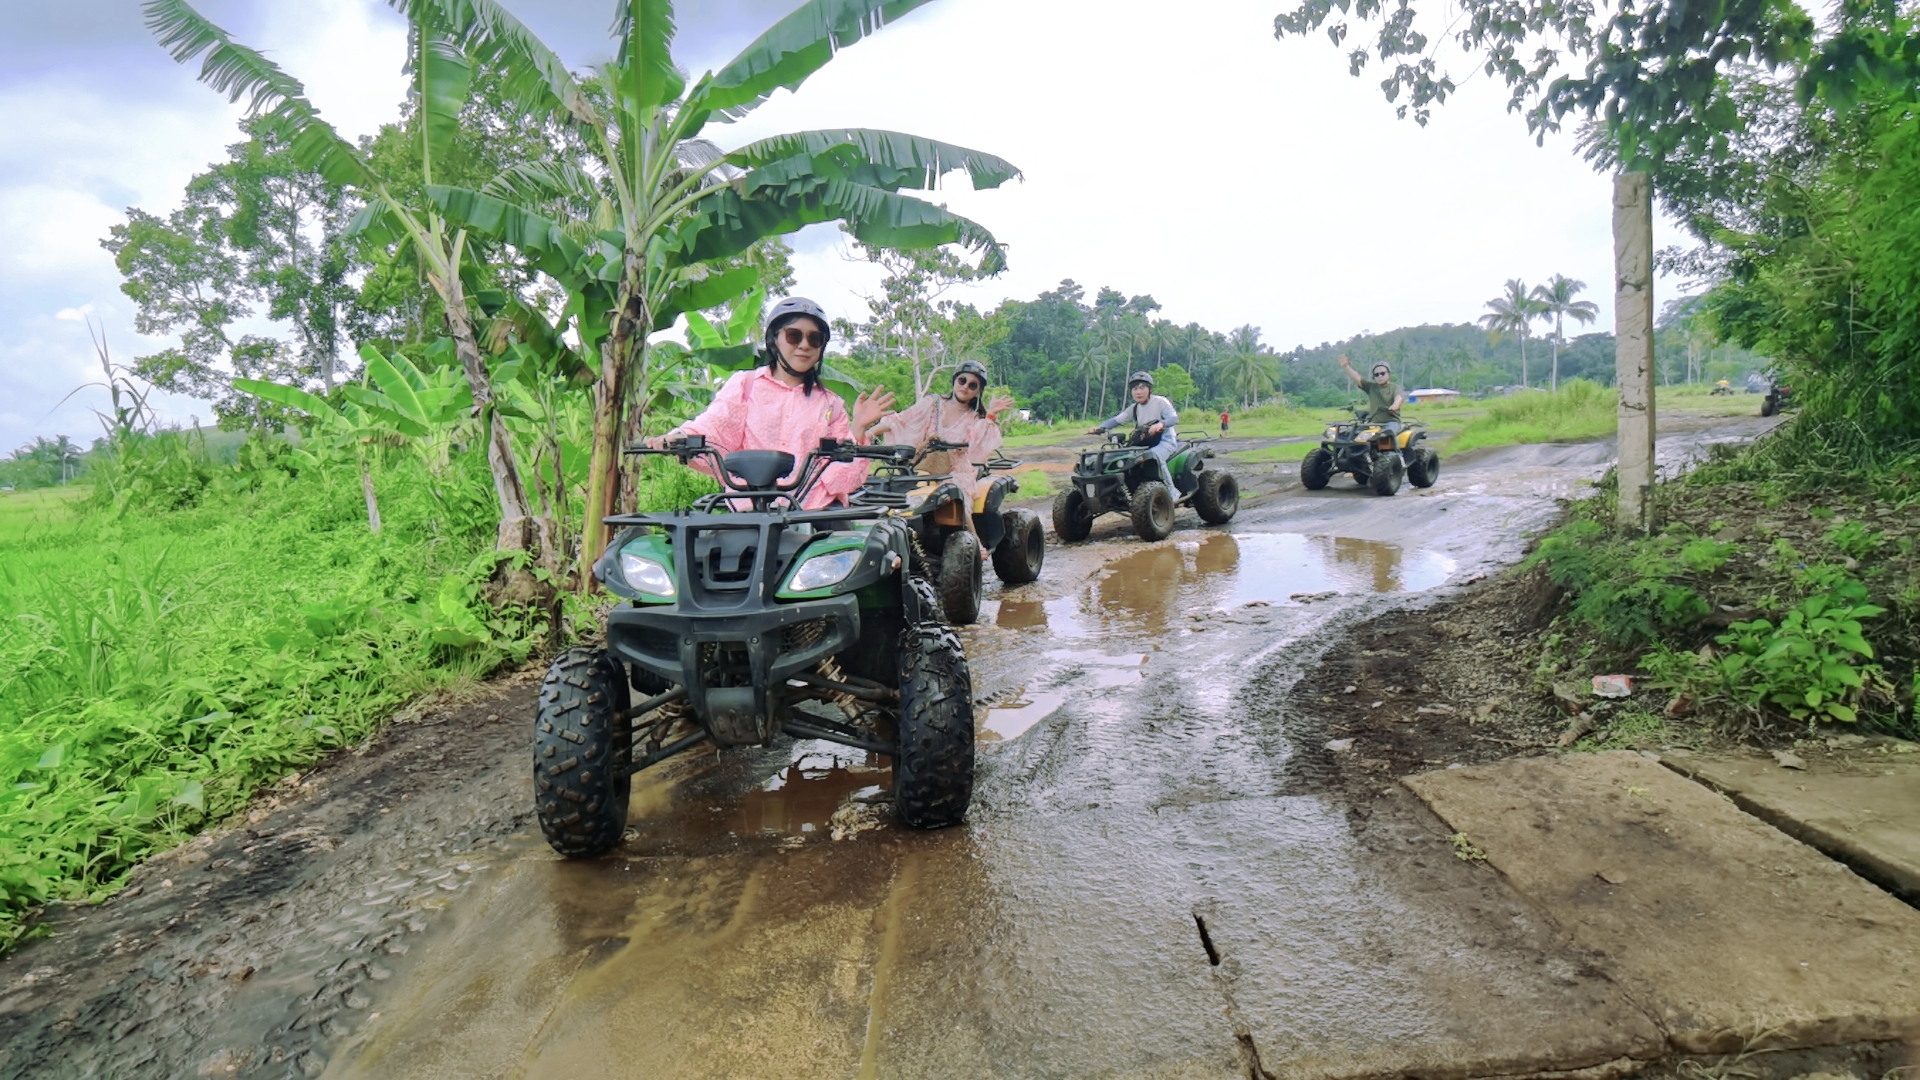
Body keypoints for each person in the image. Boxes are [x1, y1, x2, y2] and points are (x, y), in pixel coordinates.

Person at [648, 296, 894, 509]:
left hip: (811, 516)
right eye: (794, 336)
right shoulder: (745, 385)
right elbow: (713, 426)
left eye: (814, 339)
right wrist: (679, 438)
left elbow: (841, 473)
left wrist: (859, 428)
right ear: (774, 340)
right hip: (749, 514)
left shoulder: (832, 405)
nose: (804, 345)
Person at [869, 359, 1016, 559]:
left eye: (973, 385)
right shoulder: (933, 403)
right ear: (955, 381)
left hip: (956, 469)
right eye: (962, 380)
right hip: (925, 465)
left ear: (977, 391)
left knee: (956, 493)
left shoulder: (974, 418)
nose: (965, 387)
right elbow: (903, 419)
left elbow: (976, 446)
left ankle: (976, 542)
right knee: (892, 489)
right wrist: (868, 433)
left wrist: (990, 415)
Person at [1089, 371, 1180, 489]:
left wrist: (1161, 424)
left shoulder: (1160, 402)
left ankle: (1172, 492)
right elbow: (1117, 420)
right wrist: (1100, 428)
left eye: (1142, 388)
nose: (1138, 392)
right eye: (1135, 388)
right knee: (1125, 461)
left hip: (1166, 441)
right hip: (1144, 443)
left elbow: (1174, 418)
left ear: (1149, 389)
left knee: (1155, 457)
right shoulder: (1135, 408)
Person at [1338, 354, 1405, 423]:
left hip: (1391, 421)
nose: (1380, 376)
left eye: (1382, 373)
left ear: (1389, 374)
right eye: (1377, 374)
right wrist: (1346, 367)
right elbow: (1357, 378)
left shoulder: (1394, 387)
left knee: (1389, 432)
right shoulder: (1371, 387)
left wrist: (1395, 405)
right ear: (1374, 377)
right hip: (1373, 423)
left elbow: (1399, 397)